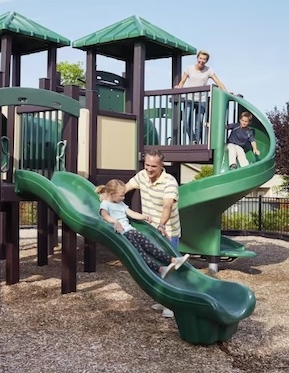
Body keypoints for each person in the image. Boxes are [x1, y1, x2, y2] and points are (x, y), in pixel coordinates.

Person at [125, 149, 181, 317]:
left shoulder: (169, 182)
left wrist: (161, 225)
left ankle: (173, 305)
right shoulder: (142, 175)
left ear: (161, 165)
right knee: (157, 266)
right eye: (147, 165)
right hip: (150, 230)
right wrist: (108, 195)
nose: (149, 169)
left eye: (153, 167)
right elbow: (126, 187)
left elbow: (167, 206)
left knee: (172, 269)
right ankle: (163, 300)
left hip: (167, 231)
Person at [96, 180, 190, 279]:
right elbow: (105, 215)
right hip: (122, 235)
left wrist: (143, 216)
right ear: (112, 194)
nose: (123, 197)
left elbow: (131, 213)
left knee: (151, 247)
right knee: (141, 253)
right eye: (121, 195)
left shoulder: (121, 204)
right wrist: (115, 221)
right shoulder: (105, 204)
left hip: (131, 231)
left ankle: (173, 260)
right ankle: (161, 269)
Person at [175, 50, 228, 144]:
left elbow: (218, 82)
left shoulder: (209, 70)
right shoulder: (189, 68)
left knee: (198, 123)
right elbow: (182, 81)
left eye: (204, 59)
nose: (202, 61)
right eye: (200, 58)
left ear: (206, 61)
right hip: (189, 98)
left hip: (202, 99)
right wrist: (179, 87)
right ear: (197, 58)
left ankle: (196, 144)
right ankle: (193, 139)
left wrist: (226, 92)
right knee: (186, 122)